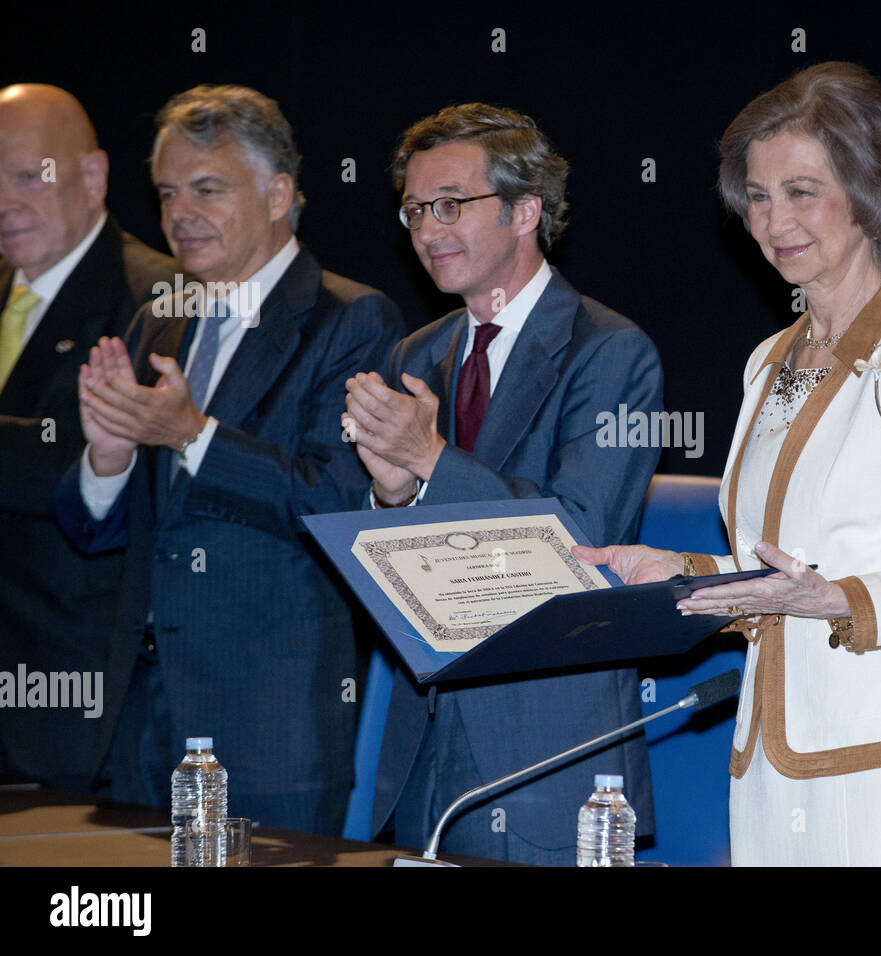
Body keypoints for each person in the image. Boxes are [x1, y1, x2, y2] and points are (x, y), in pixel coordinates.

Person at [575, 62, 881, 865]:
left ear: (869, 193)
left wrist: (839, 600)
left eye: (801, 190)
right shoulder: (767, 363)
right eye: (756, 195)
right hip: (773, 760)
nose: (773, 219)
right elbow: (779, 569)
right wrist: (680, 572)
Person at [54, 84, 402, 834]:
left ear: (279, 194)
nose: (180, 213)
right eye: (168, 192)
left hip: (269, 726)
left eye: (208, 189)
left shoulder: (350, 319)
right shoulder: (160, 321)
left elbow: (334, 506)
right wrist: (109, 458)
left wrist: (190, 434)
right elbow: (96, 535)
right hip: (143, 719)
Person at [348, 103, 662, 864]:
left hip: (548, 751)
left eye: (451, 204)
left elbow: (578, 538)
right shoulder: (418, 352)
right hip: (427, 746)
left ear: (527, 211)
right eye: (415, 209)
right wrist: (391, 494)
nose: (427, 230)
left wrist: (430, 462)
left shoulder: (612, 352)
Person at [0, 84, 177, 792]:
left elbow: (107, 466)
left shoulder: (158, 299)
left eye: (25, 176)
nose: (4, 200)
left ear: (94, 176)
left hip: (79, 714)